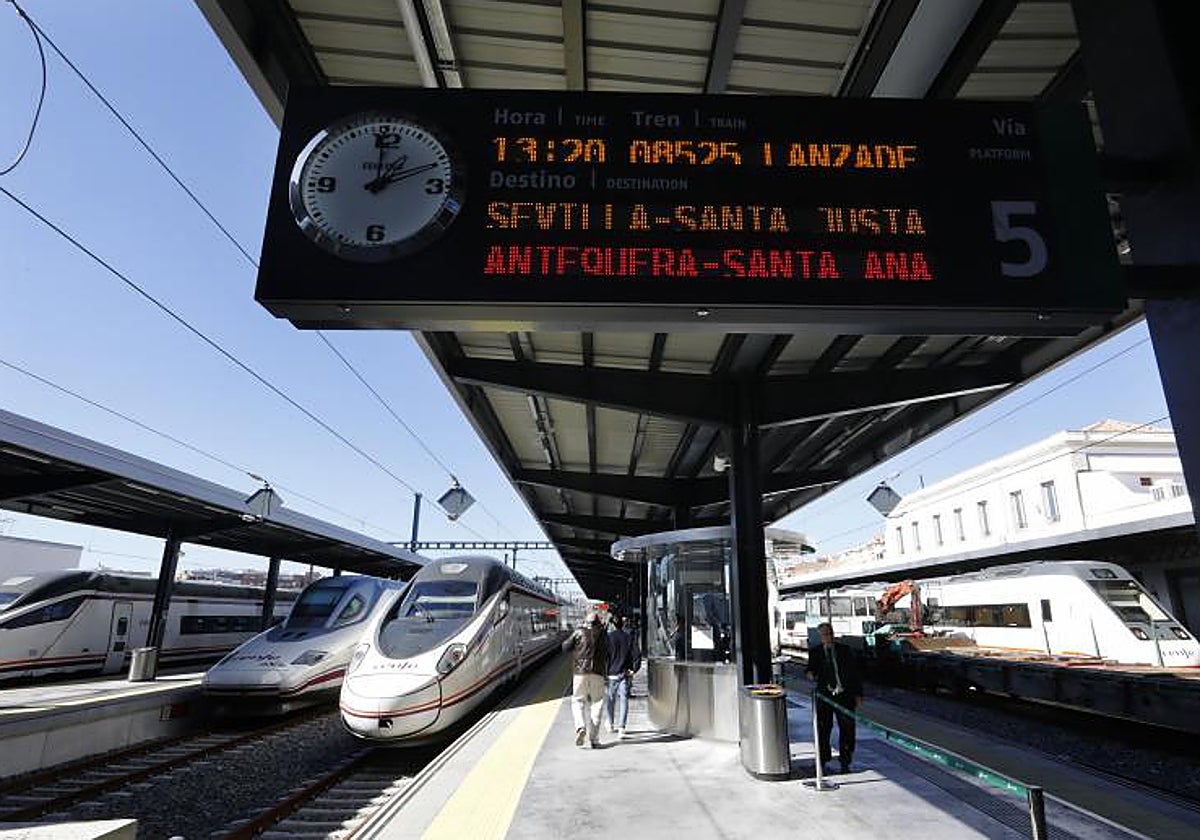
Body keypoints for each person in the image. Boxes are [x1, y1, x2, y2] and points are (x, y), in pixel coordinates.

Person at [805, 622, 864, 773]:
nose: (828, 637)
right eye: (825, 635)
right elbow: (810, 669)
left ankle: (845, 761)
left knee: (847, 729)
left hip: (844, 695)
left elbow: (854, 673)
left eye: (830, 633)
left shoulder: (844, 651)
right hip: (825, 696)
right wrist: (810, 674)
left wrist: (858, 694)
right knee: (823, 728)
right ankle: (823, 759)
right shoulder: (815, 652)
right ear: (820, 637)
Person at [562, 608, 609, 748]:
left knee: (577, 701)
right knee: (597, 703)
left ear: (586, 621)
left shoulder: (579, 632)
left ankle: (580, 727)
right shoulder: (603, 634)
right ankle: (594, 739)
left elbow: (565, 647)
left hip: (580, 673)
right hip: (598, 672)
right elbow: (608, 650)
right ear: (597, 622)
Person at [604, 614, 641, 739]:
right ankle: (622, 728)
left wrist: (605, 672)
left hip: (611, 675)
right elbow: (637, 655)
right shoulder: (628, 637)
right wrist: (634, 670)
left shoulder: (609, 638)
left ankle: (610, 723)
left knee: (610, 700)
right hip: (624, 674)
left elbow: (606, 657)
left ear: (613, 624)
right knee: (624, 700)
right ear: (623, 624)